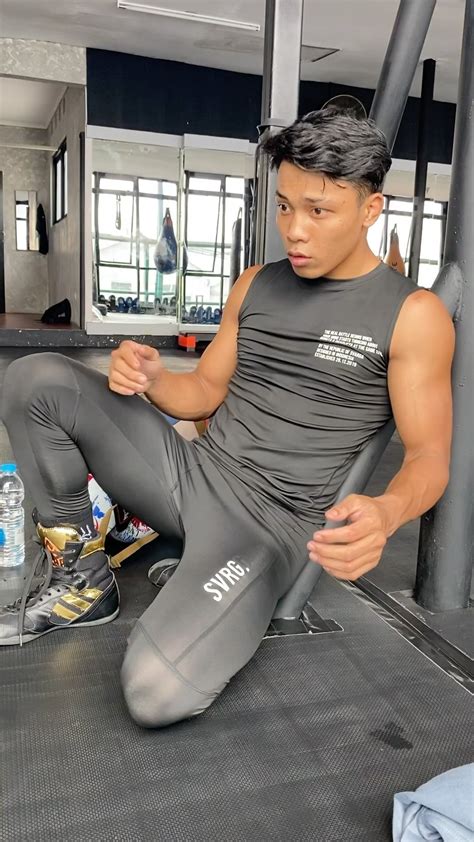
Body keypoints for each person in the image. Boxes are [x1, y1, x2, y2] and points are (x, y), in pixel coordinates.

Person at [0, 110, 454, 728]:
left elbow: (428, 456)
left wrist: (387, 511)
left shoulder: (414, 315)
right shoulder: (256, 284)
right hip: (190, 474)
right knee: (37, 380)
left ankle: (197, 574)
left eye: (319, 211)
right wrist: (152, 378)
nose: (295, 230)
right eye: (285, 206)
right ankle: (83, 581)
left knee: (155, 693)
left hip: (268, 526)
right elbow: (204, 393)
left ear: (370, 209)